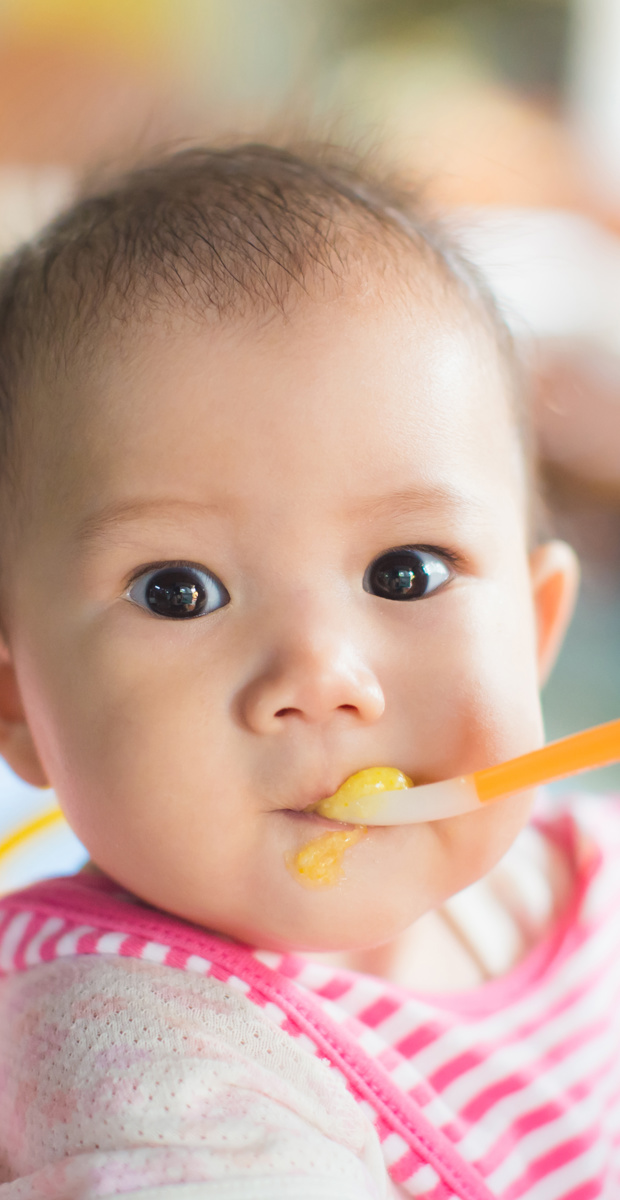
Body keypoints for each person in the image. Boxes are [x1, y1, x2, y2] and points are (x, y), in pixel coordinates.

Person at [0, 143, 614, 1200]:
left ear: (535, 623)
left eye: (405, 571)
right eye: (177, 590)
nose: (321, 676)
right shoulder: (138, 1050)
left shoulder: (579, 874)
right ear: (17, 701)